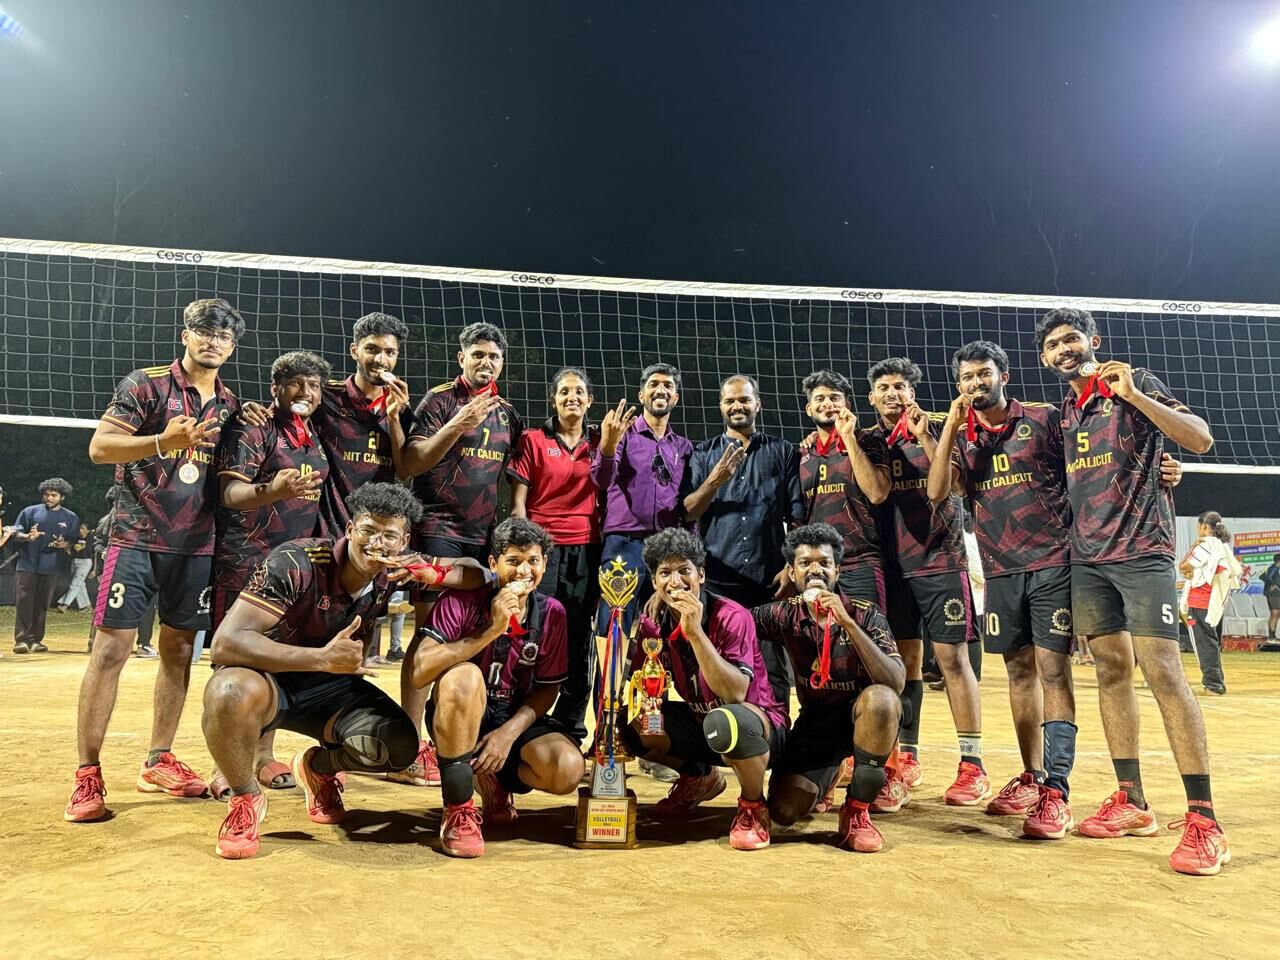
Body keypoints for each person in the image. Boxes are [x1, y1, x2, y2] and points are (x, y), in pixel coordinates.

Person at [1038, 306, 1227, 875]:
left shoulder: (1133, 380)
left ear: (1093, 340)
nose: (1064, 349)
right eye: (1054, 344)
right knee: (1110, 671)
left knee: (1163, 671)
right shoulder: (1063, 413)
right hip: (1087, 559)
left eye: (1072, 338)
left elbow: (1200, 438)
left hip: (1142, 551)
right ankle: (1132, 799)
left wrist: (1136, 397)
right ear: (1045, 358)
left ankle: (1203, 819)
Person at [65, 298, 248, 822]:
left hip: (197, 546)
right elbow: (100, 448)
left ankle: (158, 759)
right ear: (185, 335)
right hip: (136, 539)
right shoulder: (146, 385)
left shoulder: (232, 406)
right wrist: (162, 441)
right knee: (111, 651)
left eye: (224, 336)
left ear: (232, 347)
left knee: (179, 651)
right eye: (205, 331)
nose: (213, 342)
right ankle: (87, 774)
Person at [201, 483, 434, 859]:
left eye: (389, 535)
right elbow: (225, 643)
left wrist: (439, 572)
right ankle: (246, 798)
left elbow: (472, 572)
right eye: (368, 530)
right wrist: (321, 659)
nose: (377, 543)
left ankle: (318, 768)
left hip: (328, 688)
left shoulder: (395, 571)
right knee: (227, 691)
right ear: (350, 530)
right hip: (267, 680)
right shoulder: (296, 561)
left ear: (404, 541)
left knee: (398, 745)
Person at [927, 340, 1078, 838]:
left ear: (1003, 375)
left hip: (1052, 560)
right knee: (1017, 671)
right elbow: (938, 491)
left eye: (984, 373)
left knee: (1053, 670)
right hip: (1000, 569)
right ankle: (1032, 776)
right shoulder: (963, 436)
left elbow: (1083, 468)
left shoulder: (1043, 418)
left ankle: (1057, 790)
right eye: (967, 377)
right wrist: (951, 428)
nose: (976, 383)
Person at [410, 517, 583, 859]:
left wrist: (507, 734)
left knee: (567, 769)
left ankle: (495, 779)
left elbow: (547, 689)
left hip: (512, 717)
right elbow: (419, 672)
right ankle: (458, 808)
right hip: (461, 712)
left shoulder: (552, 613)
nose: (524, 571)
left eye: (533, 561)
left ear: (545, 564)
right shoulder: (461, 600)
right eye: (513, 561)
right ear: (493, 563)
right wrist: (491, 629)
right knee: (465, 677)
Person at [398, 322, 523, 787]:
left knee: (473, 634)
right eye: (477, 354)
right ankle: (409, 744)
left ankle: (452, 734)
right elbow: (411, 463)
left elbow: (513, 477)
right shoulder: (438, 402)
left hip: (483, 537)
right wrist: (459, 423)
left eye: (493, 356)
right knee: (428, 633)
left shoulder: (508, 415)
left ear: (501, 363)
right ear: (461, 358)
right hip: (437, 529)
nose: (485, 362)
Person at [209, 350, 332, 796]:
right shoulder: (254, 427)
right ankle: (226, 765)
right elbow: (230, 493)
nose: (306, 392)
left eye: (314, 385)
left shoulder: (313, 434)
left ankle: (263, 756)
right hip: (246, 559)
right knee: (234, 662)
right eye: (296, 383)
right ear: (275, 388)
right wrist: (271, 489)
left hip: (290, 569)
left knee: (274, 659)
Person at [865, 357, 987, 807]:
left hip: (940, 559)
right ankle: (906, 757)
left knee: (953, 660)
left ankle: (972, 765)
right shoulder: (866, 440)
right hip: (891, 566)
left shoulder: (940, 427)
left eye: (900, 386)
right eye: (883, 387)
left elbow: (954, 485)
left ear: (912, 393)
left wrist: (924, 436)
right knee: (904, 663)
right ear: (871, 397)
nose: (892, 393)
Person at [622, 528, 790, 851]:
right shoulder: (653, 621)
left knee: (727, 720)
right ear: (654, 582)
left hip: (759, 727)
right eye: (665, 573)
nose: (676, 581)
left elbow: (734, 693)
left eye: (684, 570)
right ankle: (698, 777)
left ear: (700, 574)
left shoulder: (732, 616)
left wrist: (695, 633)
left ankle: (753, 806)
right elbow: (642, 684)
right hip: (704, 723)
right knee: (633, 725)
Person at [754, 524, 904, 853]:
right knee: (784, 811)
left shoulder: (865, 613)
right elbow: (729, 620)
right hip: (816, 725)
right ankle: (831, 772)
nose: (815, 570)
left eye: (824, 563)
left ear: (837, 570)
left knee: (882, 699)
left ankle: (857, 810)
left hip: (863, 717)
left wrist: (847, 622)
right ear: (791, 572)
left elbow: (895, 682)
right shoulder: (782, 614)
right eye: (805, 563)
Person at [682, 374, 804, 704]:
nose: (737, 406)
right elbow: (689, 511)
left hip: (770, 580)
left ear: (757, 404)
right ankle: (722, 726)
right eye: (730, 400)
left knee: (772, 667)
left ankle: (776, 727)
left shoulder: (782, 450)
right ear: (721, 406)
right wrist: (716, 479)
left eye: (744, 399)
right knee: (720, 662)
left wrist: (790, 567)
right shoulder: (703, 453)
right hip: (719, 581)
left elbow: (796, 515)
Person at [508, 367, 602, 744]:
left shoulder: (601, 442)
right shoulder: (533, 439)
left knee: (578, 636)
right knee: (535, 628)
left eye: (579, 392)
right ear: (553, 399)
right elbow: (518, 504)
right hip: (541, 550)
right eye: (564, 391)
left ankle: (571, 727)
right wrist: (523, 551)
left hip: (585, 549)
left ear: (589, 400)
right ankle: (518, 717)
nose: (571, 397)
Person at [312, 312, 413, 537]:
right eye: (372, 349)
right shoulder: (325, 396)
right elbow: (281, 421)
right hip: (327, 527)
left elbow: (404, 471)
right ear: (354, 351)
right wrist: (255, 411)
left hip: (374, 531)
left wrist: (394, 417)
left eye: (389, 352)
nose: (381, 360)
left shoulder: (402, 407)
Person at [797, 371, 890, 605]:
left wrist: (848, 437)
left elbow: (878, 493)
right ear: (809, 409)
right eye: (819, 399)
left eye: (834, 397)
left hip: (861, 562)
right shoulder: (801, 453)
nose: (827, 403)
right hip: (817, 566)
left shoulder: (869, 440)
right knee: (821, 629)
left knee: (867, 628)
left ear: (847, 404)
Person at [11, 478, 79, 653]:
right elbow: (15, 533)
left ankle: (35, 640)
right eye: (46, 494)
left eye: (53, 495)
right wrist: (27, 537)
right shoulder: (30, 512)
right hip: (27, 563)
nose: (49, 498)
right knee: (24, 601)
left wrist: (64, 545)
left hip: (51, 566)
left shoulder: (70, 517)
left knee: (42, 603)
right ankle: (21, 640)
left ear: (62, 497)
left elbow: (73, 540)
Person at [1179, 511, 1241, 697]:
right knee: (1212, 643)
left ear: (1204, 526)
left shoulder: (1205, 545)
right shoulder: (1222, 546)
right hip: (1214, 604)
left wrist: (1193, 546)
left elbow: (1183, 566)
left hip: (1199, 603)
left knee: (1203, 645)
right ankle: (1217, 682)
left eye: (1198, 526)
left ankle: (1212, 685)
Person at [57, 520, 95, 612]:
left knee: (75, 584)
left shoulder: (91, 540)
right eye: (80, 528)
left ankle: (65, 604)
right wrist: (66, 549)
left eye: (83, 529)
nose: (80, 530)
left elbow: (95, 555)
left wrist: (95, 569)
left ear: (88, 530)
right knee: (80, 584)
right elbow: (67, 547)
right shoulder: (76, 539)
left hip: (85, 562)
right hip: (75, 561)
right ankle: (86, 606)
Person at [1261, 553, 1280, 642]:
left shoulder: (1276, 569)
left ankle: (1272, 635)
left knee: (1275, 615)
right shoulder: (1273, 568)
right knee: (1274, 615)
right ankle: (1271, 637)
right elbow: (1266, 577)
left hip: (1276, 595)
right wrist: (1273, 585)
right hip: (1273, 596)